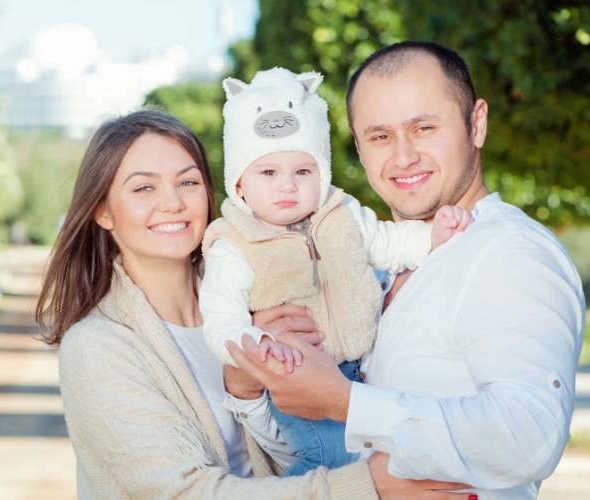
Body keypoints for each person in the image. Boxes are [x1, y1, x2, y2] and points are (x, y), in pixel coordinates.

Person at [35, 108, 477, 499]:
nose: (172, 203)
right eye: (143, 189)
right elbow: (180, 493)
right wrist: (365, 487)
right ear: (103, 211)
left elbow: (292, 455)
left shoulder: (258, 303)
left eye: (188, 182)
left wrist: (247, 391)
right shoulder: (97, 348)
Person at [225, 41, 586, 500]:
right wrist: (255, 383)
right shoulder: (368, 268)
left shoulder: (510, 251)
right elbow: (322, 456)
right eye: (379, 137)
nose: (403, 156)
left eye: (424, 127)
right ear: (358, 147)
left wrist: (344, 402)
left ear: (476, 124)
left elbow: (530, 436)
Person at [199, 66, 473, 477]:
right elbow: (221, 320)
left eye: (303, 172)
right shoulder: (234, 243)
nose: (287, 186)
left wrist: (433, 236)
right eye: (268, 173)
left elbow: (388, 243)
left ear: (322, 173)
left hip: (357, 371)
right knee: (330, 461)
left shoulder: (341, 213)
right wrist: (260, 344)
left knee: (371, 452)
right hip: (297, 372)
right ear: (239, 185)